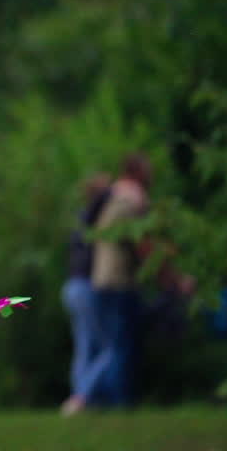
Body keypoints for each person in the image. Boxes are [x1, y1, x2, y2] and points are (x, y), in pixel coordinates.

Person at [84, 153, 153, 409]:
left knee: (111, 343)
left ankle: (108, 399)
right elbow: (141, 241)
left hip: (100, 278)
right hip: (118, 280)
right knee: (121, 344)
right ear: (137, 172)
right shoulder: (131, 196)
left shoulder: (111, 195)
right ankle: (119, 401)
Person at [60, 174, 111, 416]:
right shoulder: (94, 216)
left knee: (85, 346)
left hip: (72, 286)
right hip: (86, 288)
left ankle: (82, 397)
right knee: (108, 347)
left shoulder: (81, 218)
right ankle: (81, 397)